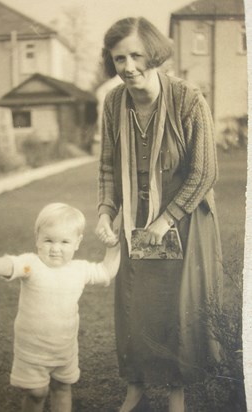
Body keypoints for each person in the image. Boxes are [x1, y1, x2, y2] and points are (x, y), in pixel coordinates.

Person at [95, 17, 223, 412]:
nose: (129, 66)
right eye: (120, 58)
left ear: (154, 54)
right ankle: (135, 386)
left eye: (136, 55)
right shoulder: (114, 102)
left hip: (184, 217)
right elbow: (107, 167)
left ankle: (176, 393)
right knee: (134, 301)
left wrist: (165, 220)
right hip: (136, 219)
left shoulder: (188, 99)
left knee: (176, 307)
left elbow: (204, 173)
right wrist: (105, 212)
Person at [0, 202, 120, 412]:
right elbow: (11, 264)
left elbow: (106, 271)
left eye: (64, 242)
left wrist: (113, 247)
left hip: (64, 349)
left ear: (77, 243)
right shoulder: (32, 265)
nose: (55, 248)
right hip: (32, 350)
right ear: (37, 239)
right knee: (35, 393)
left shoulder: (80, 270)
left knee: (62, 388)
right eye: (48, 240)